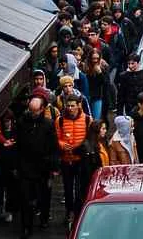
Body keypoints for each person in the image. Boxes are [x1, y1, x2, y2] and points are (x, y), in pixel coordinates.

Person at [15, 96, 58, 238]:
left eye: (35, 111)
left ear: (41, 110)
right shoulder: (22, 122)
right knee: (25, 198)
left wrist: (53, 167)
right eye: (31, 111)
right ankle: (26, 227)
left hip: (43, 167)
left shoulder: (48, 124)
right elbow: (18, 145)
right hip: (26, 167)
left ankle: (43, 218)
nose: (33, 114)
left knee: (44, 195)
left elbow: (53, 146)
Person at [54, 94, 90, 226]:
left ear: (78, 105)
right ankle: (69, 212)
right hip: (66, 159)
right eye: (68, 106)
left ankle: (79, 213)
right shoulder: (60, 120)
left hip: (81, 159)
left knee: (80, 188)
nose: (70, 108)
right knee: (68, 189)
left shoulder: (87, 119)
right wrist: (61, 144)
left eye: (72, 106)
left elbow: (90, 138)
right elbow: (56, 138)